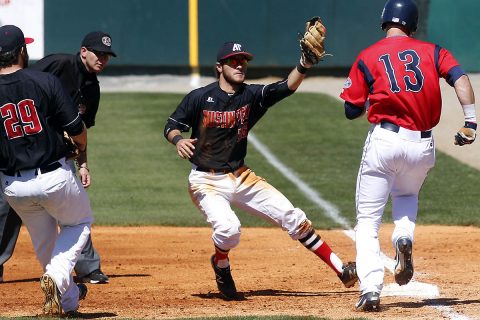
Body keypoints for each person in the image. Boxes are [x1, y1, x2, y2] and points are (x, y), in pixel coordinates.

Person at [164, 38, 358, 300]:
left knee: (293, 217)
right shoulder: (200, 97)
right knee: (229, 230)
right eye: (234, 61)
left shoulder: (251, 95)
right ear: (220, 66)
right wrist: (179, 140)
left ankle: (341, 269)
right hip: (205, 181)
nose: (240, 65)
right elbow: (171, 125)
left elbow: (285, 88)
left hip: (242, 177)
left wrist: (304, 65)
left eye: (243, 61)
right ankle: (221, 265)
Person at [340, 0, 476, 312]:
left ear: (385, 20)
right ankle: (403, 237)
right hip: (423, 146)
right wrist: (470, 122)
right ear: (413, 24)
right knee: (406, 195)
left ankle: (371, 290)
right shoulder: (434, 51)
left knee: (367, 221)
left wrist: (372, 98)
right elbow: (460, 78)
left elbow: (350, 110)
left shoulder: (368, 55)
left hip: (386, 141)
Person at [0, 30, 116, 284]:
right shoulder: (58, 64)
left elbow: (82, 129)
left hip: (55, 154)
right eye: (99, 53)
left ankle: (87, 268)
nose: (103, 60)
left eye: (107, 55)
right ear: (83, 51)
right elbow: (23, 83)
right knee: (8, 212)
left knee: (72, 210)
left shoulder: (93, 89)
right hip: (22, 149)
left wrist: (83, 163)